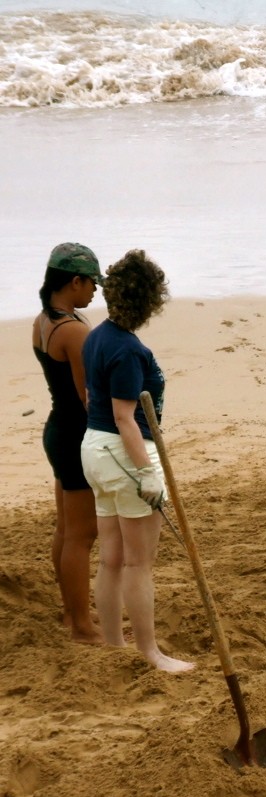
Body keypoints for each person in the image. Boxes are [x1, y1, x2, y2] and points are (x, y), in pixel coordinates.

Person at [80, 249, 194, 673]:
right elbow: (124, 416)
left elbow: (93, 399)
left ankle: (114, 644)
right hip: (122, 451)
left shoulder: (97, 337)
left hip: (94, 447)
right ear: (150, 301)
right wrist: (147, 471)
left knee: (111, 557)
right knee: (137, 561)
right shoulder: (128, 350)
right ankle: (150, 651)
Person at [32, 243, 104, 644]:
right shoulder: (73, 329)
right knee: (82, 534)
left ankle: (71, 612)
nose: (95, 291)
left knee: (66, 529)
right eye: (92, 283)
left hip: (57, 429)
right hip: (75, 434)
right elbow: (87, 395)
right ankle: (82, 626)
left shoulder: (45, 320)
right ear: (74, 281)